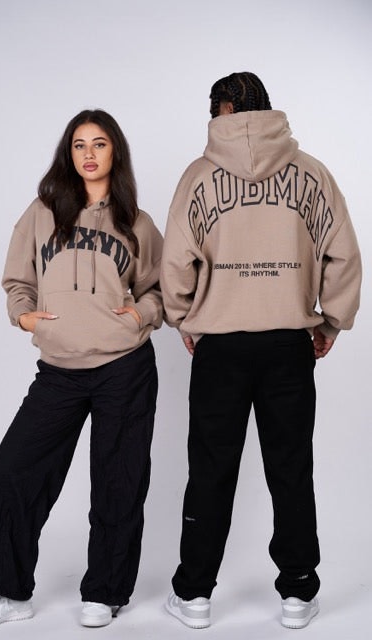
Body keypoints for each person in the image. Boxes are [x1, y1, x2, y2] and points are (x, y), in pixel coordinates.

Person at [160, 71, 361, 630]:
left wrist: (185, 317)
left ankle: (194, 595)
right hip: (287, 346)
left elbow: (175, 263)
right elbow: (343, 255)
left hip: (220, 348)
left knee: (210, 470)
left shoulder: (198, 177)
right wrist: (332, 320)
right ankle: (297, 593)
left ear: (217, 112)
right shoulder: (312, 174)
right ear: (267, 108)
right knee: (291, 469)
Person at [0, 109, 163, 630]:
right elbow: (17, 279)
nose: (89, 154)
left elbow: (159, 289)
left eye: (99, 143)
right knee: (13, 470)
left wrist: (139, 314)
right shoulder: (42, 212)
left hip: (124, 367)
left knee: (118, 481)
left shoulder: (137, 222)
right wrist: (23, 314)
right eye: (79, 145)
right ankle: (5, 591)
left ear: (115, 152)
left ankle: (105, 592)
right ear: (68, 154)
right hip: (59, 369)